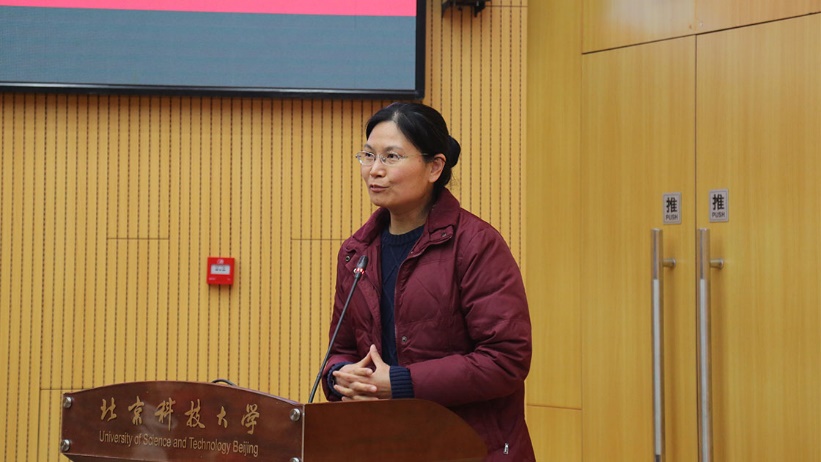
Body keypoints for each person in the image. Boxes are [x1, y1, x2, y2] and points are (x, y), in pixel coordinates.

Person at [321, 102, 535, 461]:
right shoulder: (356, 252)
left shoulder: (476, 244)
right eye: (368, 155)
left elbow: (505, 359)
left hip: (470, 448)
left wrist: (401, 383)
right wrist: (340, 376)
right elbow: (341, 349)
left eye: (391, 157)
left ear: (434, 167)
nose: (374, 170)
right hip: (385, 445)